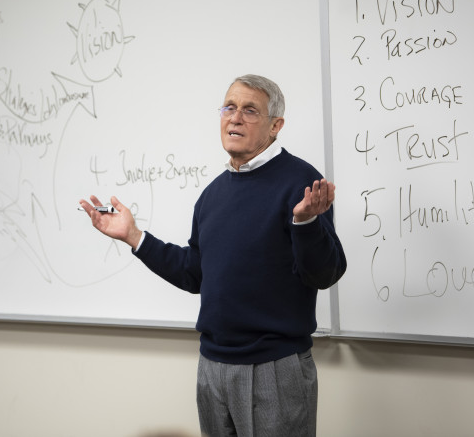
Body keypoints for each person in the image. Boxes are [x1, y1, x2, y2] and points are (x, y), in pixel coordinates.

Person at [80, 74, 347, 437]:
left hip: (273, 368)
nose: (235, 118)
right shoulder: (212, 195)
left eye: (250, 110)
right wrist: (134, 236)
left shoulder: (302, 184)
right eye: (229, 107)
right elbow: (195, 273)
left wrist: (306, 222)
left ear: (275, 126)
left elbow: (325, 274)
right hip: (212, 368)